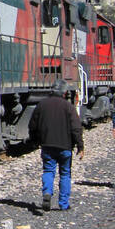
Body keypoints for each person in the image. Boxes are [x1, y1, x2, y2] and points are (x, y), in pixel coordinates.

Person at [29, 79, 84, 211]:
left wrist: (35, 141)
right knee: (65, 174)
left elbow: (32, 126)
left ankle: (47, 193)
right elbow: (76, 128)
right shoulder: (68, 107)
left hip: (47, 146)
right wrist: (80, 146)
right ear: (64, 93)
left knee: (48, 170)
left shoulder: (41, 105)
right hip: (65, 147)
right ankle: (63, 204)